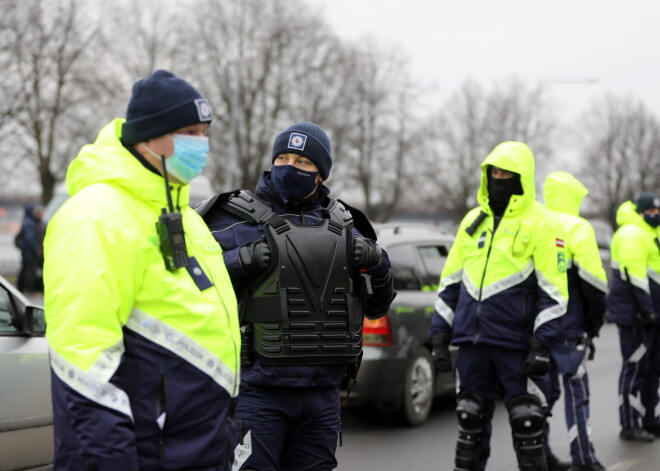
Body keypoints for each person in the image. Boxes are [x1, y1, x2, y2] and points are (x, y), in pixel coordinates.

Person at [43, 70, 241, 470]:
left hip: (195, 448)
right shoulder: (97, 217)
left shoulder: (184, 216)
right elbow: (85, 364)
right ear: (148, 137)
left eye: (204, 132)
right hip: (150, 453)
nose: (199, 145)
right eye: (188, 132)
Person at [197, 121, 396, 471]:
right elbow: (191, 289)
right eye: (283, 157)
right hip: (257, 393)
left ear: (321, 173)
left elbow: (378, 305)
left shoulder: (348, 225)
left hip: (323, 396)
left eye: (303, 162)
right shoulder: (228, 219)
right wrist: (238, 261)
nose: (290, 167)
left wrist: (377, 263)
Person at [428, 141, 569, 471]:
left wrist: (541, 345)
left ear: (523, 177)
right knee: (469, 424)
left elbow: (556, 293)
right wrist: (438, 336)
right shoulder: (472, 221)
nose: (499, 178)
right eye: (494, 171)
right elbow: (449, 285)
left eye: (507, 172)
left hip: (518, 348)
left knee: (528, 425)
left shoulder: (544, 223)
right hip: (473, 345)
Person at [542, 171, 608, 471]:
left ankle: (538, 456)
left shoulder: (537, 223)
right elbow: (594, 283)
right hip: (570, 327)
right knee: (575, 394)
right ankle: (584, 459)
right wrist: (594, 323)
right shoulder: (579, 228)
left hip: (538, 329)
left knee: (540, 397)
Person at [607, 191, 660, 442]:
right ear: (640, 212)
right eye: (650, 212)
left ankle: (650, 419)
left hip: (651, 314)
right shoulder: (631, 233)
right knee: (635, 366)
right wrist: (646, 310)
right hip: (636, 315)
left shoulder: (650, 234)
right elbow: (635, 276)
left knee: (652, 368)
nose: (655, 216)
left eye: (658, 212)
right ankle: (629, 423)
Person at [16, 203, 45, 294]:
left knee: (25, 270)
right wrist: (37, 250)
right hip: (29, 252)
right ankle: (31, 290)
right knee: (29, 271)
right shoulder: (29, 223)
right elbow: (30, 239)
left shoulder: (28, 221)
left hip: (28, 252)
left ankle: (21, 288)